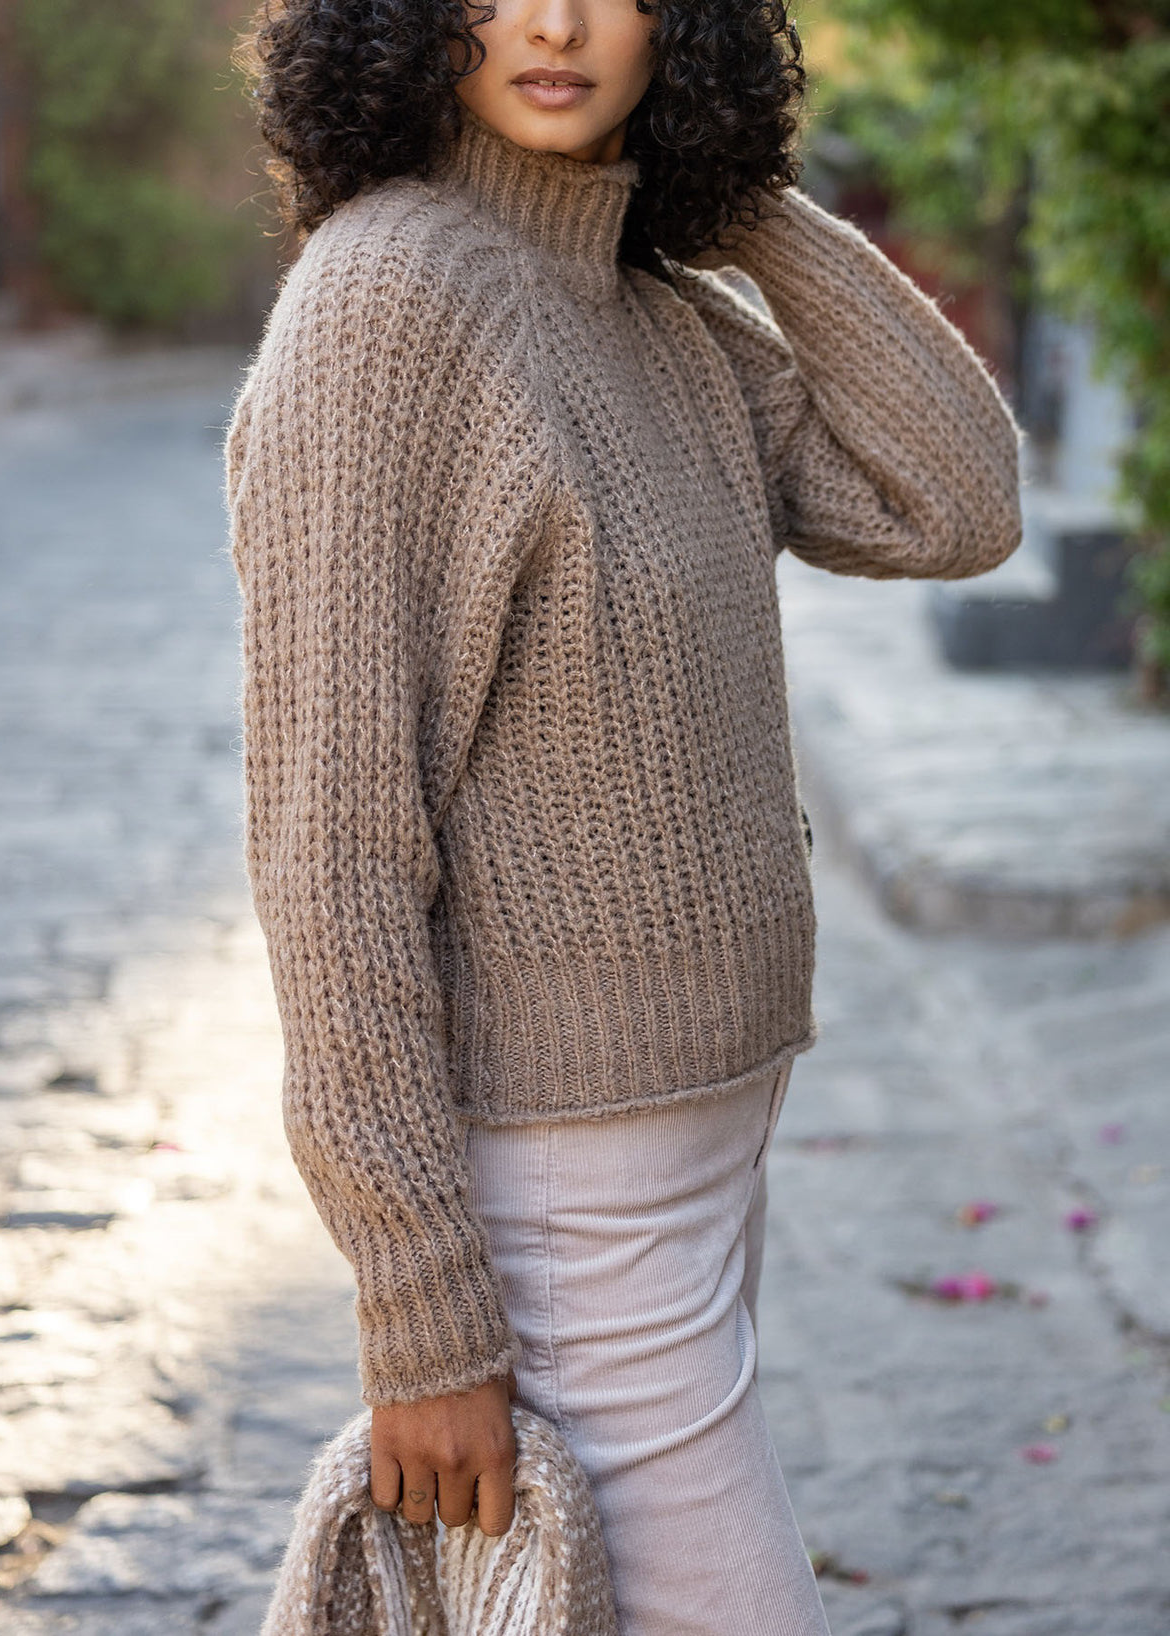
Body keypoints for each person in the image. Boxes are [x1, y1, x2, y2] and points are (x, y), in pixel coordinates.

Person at [224, 2, 1023, 1631]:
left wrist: (731, 200)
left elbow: (954, 499)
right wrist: (425, 1313)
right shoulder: (390, 301)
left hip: (707, 1121)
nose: (559, 23)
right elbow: (332, 848)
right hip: (559, 1163)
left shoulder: (652, 310)